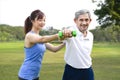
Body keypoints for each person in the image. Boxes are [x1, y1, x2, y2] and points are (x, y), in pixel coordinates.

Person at [18, 9, 72, 80]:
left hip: (35, 75)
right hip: (26, 75)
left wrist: (66, 41)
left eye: (44, 20)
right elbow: (42, 39)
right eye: (40, 20)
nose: (43, 22)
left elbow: (54, 49)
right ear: (32, 21)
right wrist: (59, 34)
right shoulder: (29, 36)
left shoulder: (38, 37)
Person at [62, 9, 94, 80]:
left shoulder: (91, 35)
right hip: (71, 71)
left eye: (86, 20)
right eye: (81, 20)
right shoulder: (71, 31)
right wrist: (64, 33)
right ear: (75, 21)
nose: (84, 23)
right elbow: (62, 37)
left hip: (87, 71)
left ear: (90, 21)